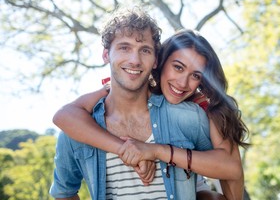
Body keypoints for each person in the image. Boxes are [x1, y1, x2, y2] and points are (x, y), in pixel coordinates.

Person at [53, 29, 249, 199]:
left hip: (192, 186)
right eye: (178, 67)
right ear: (160, 63)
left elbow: (231, 170)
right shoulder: (113, 92)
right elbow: (63, 116)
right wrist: (130, 150)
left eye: (196, 75)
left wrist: (155, 151)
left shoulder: (203, 106)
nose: (182, 82)